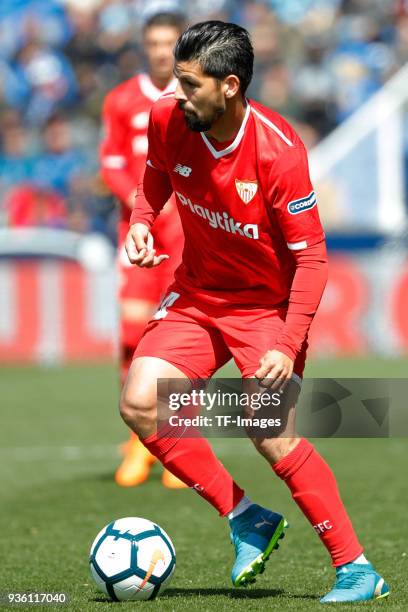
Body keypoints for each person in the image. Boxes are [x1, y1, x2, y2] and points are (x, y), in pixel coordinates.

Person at [121, 21, 389, 603]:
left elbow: (313, 260)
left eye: (190, 84)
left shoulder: (279, 152)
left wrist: (285, 344)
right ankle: (246, 518)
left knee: (269, 431)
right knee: (141, 402)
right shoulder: (169, 118)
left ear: (231, 86)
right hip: (197, 295)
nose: (175, 92)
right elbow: (154, 180)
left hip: (267, 309)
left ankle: (357, 568)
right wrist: (142, 223)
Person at [100, 11, 186, 489]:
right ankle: (140, 438)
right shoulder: (121, 100)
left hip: (185, 237)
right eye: (153, 42)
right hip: (135, 235)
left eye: (168, 42)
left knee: (175, 339)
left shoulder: (195, 97)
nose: (159, 51)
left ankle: (176, 442)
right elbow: (111, 163)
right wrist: (142, 208)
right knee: (133, 334)